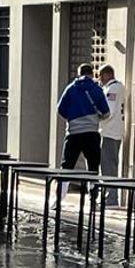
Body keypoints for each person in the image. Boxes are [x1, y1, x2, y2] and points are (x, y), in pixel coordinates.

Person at [57, 64, 110, 201]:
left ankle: (59, 198)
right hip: (91, 133)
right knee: (93, 167)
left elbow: (60, 109)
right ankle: (92, 198)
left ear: (79, 74)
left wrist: (71, 119)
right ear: (92, 74)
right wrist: (95, 118)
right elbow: (106, 112)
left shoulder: (70, 89)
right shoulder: (97, 89)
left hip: (73, 134)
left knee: (66, 166)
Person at [98, 65, 125, 205]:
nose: (100, 79)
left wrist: (94, 118)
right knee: (109, 165)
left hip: (109, 132)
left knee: (108, 166)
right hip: (113, 132)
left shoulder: (113, 88)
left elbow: (108, 112)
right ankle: (109, 196)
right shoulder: (116, 87)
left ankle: (111, 198)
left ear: (107, 75)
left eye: (101, 76)